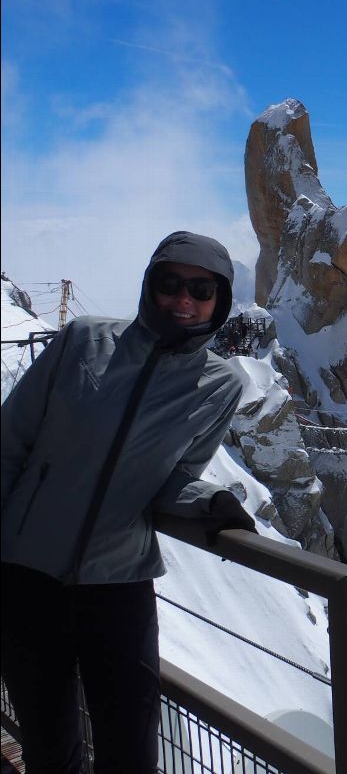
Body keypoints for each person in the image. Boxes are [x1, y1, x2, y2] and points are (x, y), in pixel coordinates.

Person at [1, 231, 257, 773]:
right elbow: (10, 443)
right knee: (50, 748)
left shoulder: (220, 383)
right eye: (170, 283)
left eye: (201, 289)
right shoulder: (82, 340)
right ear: (149, 285)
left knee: (131, 752)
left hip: (118, 586)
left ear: (221, 301)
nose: (183, 299)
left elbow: (178, 477)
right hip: (27, 575)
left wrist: (209, 500)